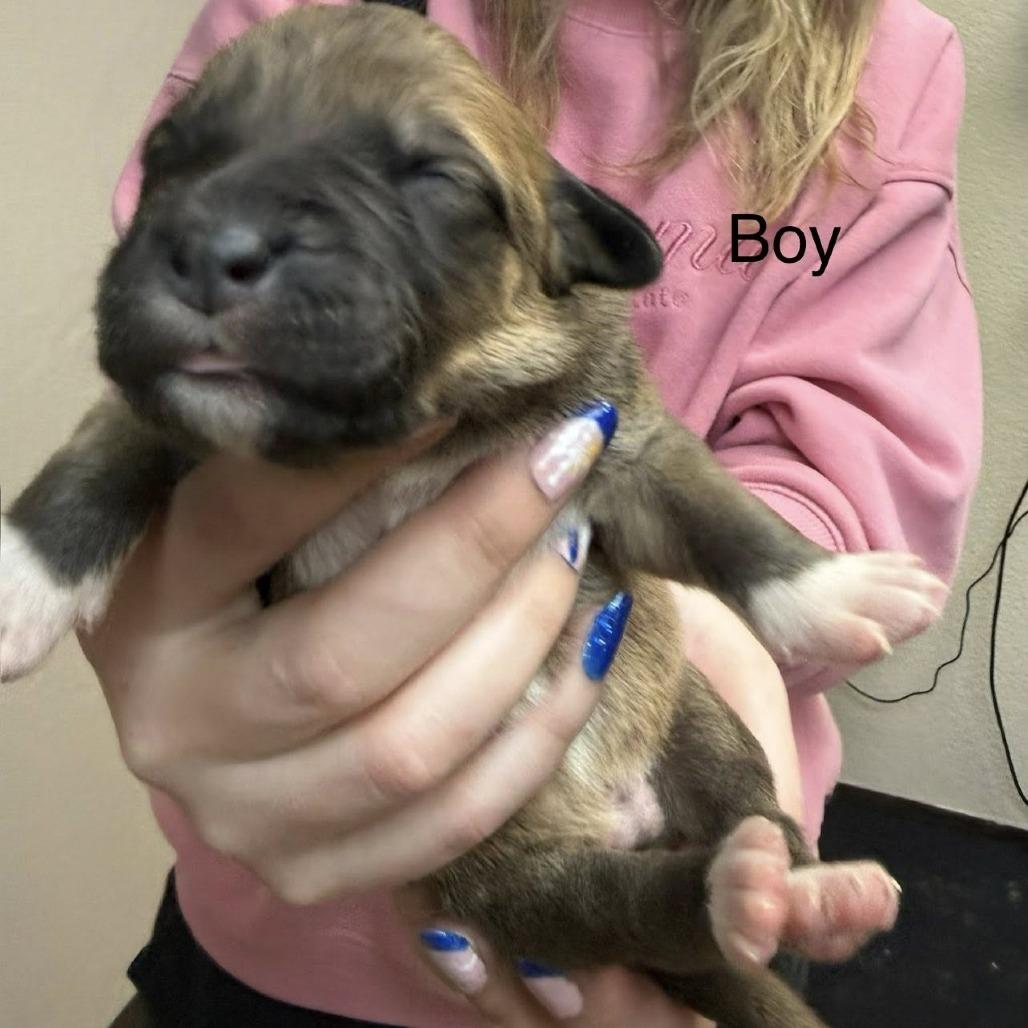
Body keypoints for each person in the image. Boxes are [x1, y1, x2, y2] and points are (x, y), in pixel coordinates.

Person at [93, 1, 981, 1025]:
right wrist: (136, 612)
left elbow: (848, 487)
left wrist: (704, 615)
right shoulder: (307, 21)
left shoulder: (888, 66)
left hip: (679, 881)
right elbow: (161, 403)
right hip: (270, 932)